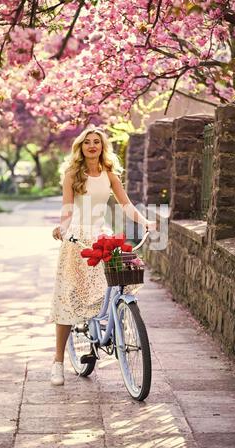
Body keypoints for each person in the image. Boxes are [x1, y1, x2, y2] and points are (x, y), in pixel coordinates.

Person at [49, 126, 156, 385]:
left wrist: (145, 222)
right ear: (81, 147)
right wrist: (62, 229)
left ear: (102, 146)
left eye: (97, 141)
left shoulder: (109, 175)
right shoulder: (73, 174)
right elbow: (67, 210)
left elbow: (126, 204)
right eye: (88, 142)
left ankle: (109, 328)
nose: (92, 146)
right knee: (68, 298)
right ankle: (58, 362)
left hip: (101, 236)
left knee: (111, 286)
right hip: (76, 239)